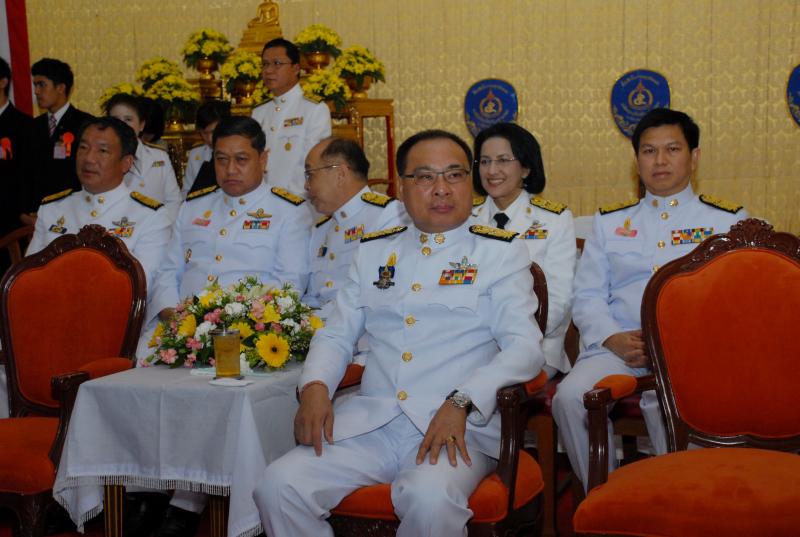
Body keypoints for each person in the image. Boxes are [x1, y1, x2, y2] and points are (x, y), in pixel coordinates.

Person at [253, 129, 545, 537]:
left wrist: (461, 400)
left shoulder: (499, 251)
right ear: (402, 187)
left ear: (470, 182)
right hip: (371, 424)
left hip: (455, 429)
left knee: (429, 498)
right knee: (278, 485)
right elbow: (337, 334)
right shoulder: (375, 250)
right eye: (425, 177)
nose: (441, 189)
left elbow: (525, 348)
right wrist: (315, 387)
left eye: (455, 175)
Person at [128, 115, 312, 537]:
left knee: (213, 392)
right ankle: (146, 487)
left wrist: (226, 325)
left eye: (241, 159)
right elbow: (167, 272)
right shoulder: (194, 207)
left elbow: (289, 285)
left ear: (264, 158)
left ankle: (184, 500)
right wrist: (173, 316)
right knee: (140, 378)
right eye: (222, 159)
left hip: (246, 337)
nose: (230, 169)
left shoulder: (288, 211)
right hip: (181, 330)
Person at [552, 107, 749, 491]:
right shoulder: (610, 222)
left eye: (672, 149)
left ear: (694, 157)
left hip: (691, 351)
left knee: (669, 403)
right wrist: (613, 338)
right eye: (649, 151)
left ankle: (686, 496)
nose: (660, 160)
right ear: (637, 159)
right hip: (622, 344)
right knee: (570, 398)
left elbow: (738, 301)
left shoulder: (726, 221)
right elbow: (588, 295)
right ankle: (607, 496)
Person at [472, 122, 576, 377]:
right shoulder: (465, 220)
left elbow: (559, 299)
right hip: (473, 343)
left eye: (503, 160)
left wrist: (517, 341)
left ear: (526, 168)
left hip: (538, 346)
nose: (492, 170)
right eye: (484, 161)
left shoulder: (554, 220)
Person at [25, 116, 172, 287]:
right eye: (83, 147)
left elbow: (139, 284)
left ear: (126, 163)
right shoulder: (52, 208)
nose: (89, 158)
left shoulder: (151, 217)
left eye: (102, 151)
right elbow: (28, 277)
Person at [304, 136, 409, 321]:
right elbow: (313, 295)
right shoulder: (321, 229)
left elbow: (376, 293)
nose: (306, 186)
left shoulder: (389, 216)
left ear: (340, 174)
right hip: (321, 328)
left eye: (310, 174)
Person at [251, 37, 331, 195]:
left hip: (298, 200)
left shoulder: (314, 109)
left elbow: (314, 163)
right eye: (265, 64)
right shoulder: (259, 112)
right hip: (261, 199)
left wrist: (287, 199)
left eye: (277, 63)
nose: (268, 70)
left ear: (296, 68)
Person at [20, 58, 93, 225]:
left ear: (61, 87)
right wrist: (23, 213)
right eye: (35, 85)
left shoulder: (86, 124)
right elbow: (24, 174)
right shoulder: (31, 127)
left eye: (42, 85)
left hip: (73, 215)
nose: (36, 91)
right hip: (35, 215)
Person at [105, 93, 181, 221]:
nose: (122, 125)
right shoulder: (101, 159)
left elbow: (174, 201)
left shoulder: (160, 156)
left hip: (160, 227)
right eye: (116, 120)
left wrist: (162, 226)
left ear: (141, 125)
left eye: (128, 119)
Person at [0, 57, 34, 272]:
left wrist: (22, 213)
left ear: (3, 82)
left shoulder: (24, 125)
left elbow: (28, 175)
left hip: (10, 218)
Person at [182, 100, 230, 198]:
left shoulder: (238, 151)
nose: (209, 139)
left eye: (213, 132)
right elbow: (186, 191)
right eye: (204, 133)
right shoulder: (195, 154)